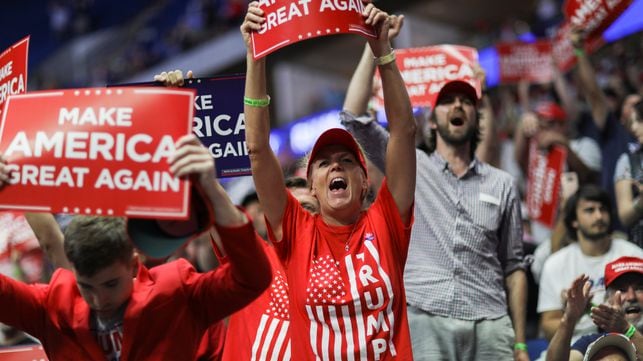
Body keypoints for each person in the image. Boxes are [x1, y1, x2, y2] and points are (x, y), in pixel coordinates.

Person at [340, 19, 527, 361]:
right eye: (447, 101)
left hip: (490, 321)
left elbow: (513, 265)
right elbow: (354, 117)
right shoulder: (411, 166)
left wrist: (520, 342)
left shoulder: (502, 184)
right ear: (432, 119)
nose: (457, 106)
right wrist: (373, 47)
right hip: (425, 315)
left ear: (476, 115)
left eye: (466, 101)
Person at [241, 0, 417, 359]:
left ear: (365, 182)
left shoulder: (386, 221)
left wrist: (383, 52)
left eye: (346, 160)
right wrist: (255, 57)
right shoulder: (295, 232)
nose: (335, 166)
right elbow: (258, 149)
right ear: (312, 187)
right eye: (323, 164)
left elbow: (403, 131)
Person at [0, 135, 272, 360]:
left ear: (133, 264)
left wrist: (210, 188)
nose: (99, 300)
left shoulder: (176, 292)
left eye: (110, 284)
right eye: (87, 287)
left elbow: (252, 278)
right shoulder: (53, 305)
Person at [538, 185, 643, 345]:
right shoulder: (555, 264)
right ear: (574, 220)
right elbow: (548, 328)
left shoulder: (633, 254)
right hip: (575, 342)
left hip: (629, 339)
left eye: (603, 209)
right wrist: (575, 313)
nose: (599, 216)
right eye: (590, 210)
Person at [545, 256, 643, 361]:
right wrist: (569, 319)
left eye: (639, 289)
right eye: (622, 290)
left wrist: (626, 329)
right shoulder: (595, 342)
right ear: (608, 299)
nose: (631, 297)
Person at [615, 100, 643, 247]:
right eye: (632, 122)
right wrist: (641, 202)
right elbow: (624, 216)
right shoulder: (628, 161)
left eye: (639, 121)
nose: (634, 127)